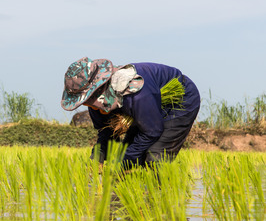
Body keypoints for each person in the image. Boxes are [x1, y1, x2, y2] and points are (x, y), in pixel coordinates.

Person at [61, 57, 200, 168]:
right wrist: (98, 157)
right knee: (125, 157)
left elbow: (152, 131)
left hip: (180, 101)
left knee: (155, 157)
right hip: (146, 109)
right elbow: (106, 132)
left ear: (98, 90)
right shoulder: (96, 103)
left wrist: (125, 162)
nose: (89, 106)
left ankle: (161, 196)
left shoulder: (135, 94)